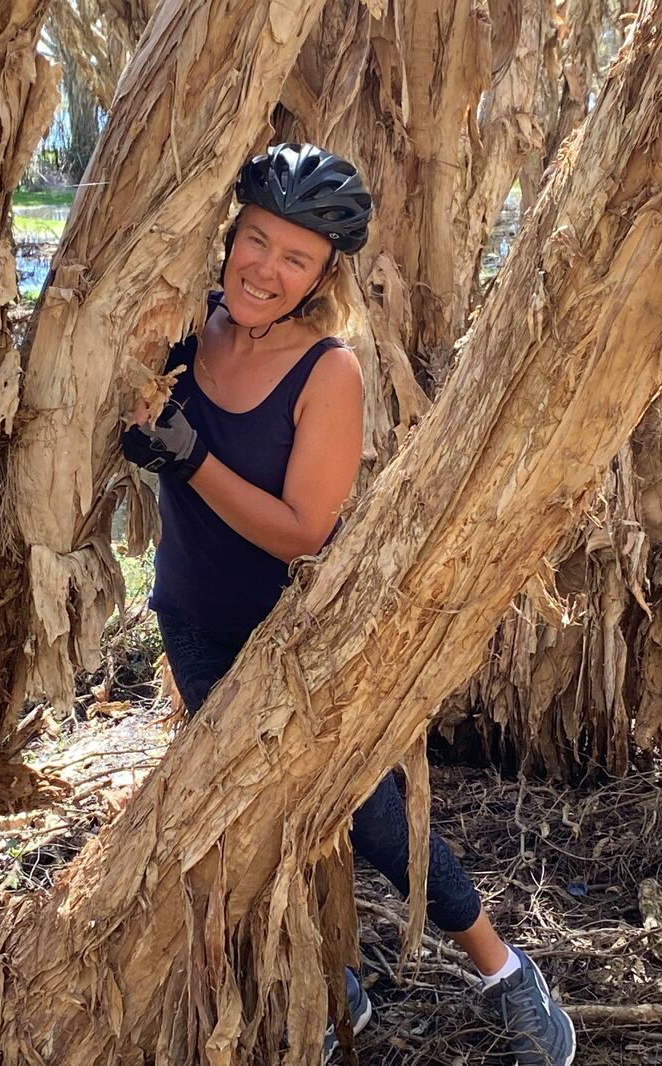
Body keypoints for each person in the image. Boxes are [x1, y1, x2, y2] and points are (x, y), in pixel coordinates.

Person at [122, 142, 576, 1066]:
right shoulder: (186, 328)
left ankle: (508, 976)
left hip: (296, 636)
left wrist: (190, 458)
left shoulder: (329, 371)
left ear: (326, 271)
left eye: (296, 257)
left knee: (368, 816)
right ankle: (330, 990)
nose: (267, 269)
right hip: (192, 622)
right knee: (244, 826)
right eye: (256, 241)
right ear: (229, 236)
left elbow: (302, 531)